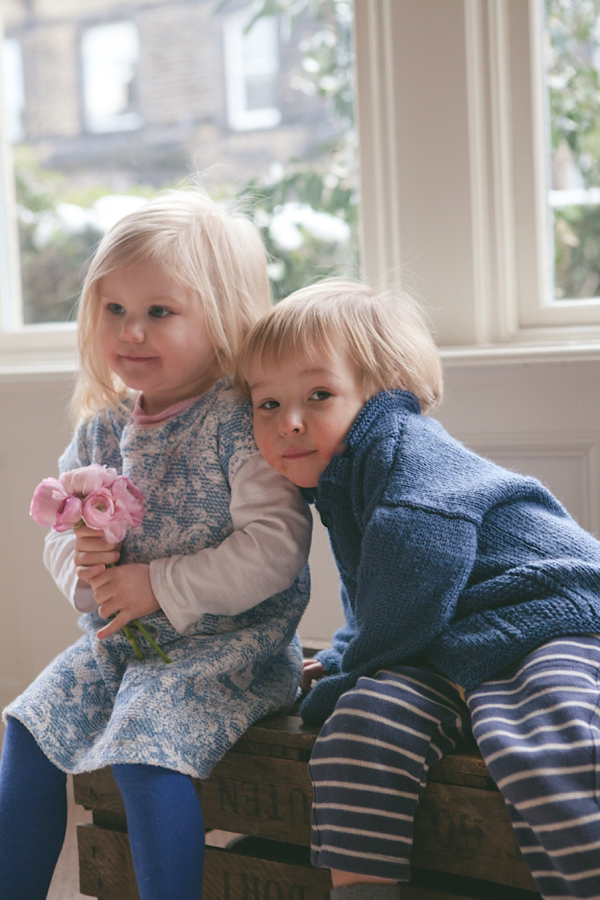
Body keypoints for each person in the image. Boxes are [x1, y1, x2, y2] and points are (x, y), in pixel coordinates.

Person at [236, 277, 600, 900]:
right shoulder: (341, 475)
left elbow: (415, 570)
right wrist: (351, 660)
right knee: (360, 723)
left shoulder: (402, 448)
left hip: (552, 611)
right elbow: (376, 596)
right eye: (267, 404)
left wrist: (354, 666)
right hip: (453, 638)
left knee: (546, 741)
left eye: (318, 394)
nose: (289, 422)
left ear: (385, 392)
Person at [0, 188, 312, 900]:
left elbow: (277, 546)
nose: (130, 332)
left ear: (223, 320)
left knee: (144, 751)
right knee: (28, 727)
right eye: (115, 310)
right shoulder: (100, 427)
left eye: (159, 313)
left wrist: (158, 584)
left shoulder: (240, 422)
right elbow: (62, 531)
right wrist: (83, 567)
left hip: (229, 646)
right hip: (124, 641)